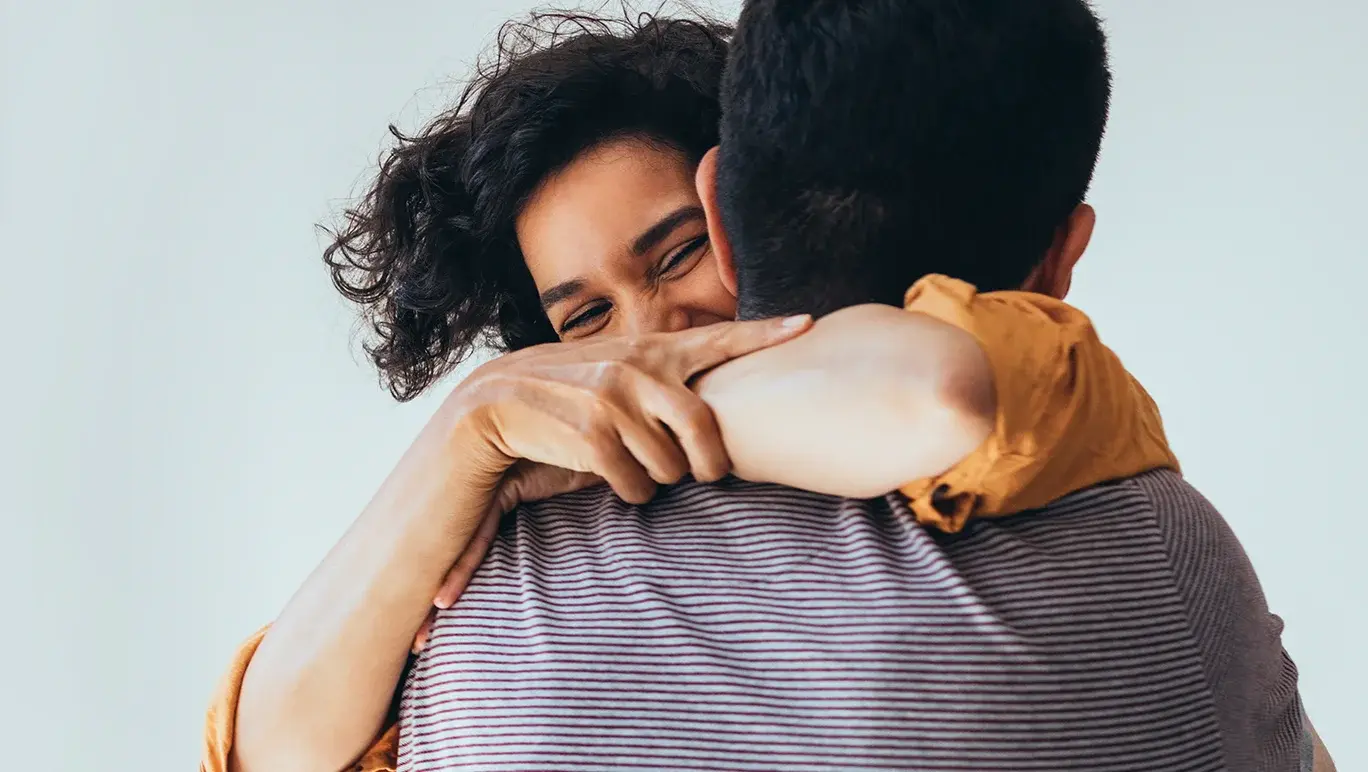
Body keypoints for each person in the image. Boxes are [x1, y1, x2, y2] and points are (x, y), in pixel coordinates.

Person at [199, 7, 1323, 772]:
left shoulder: (1009, 394)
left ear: (732, 212)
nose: (641, 344)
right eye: (584, 320)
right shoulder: (513, 540)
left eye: (675, 255)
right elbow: (266, 748)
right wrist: (468, 431)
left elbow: (936, 386)